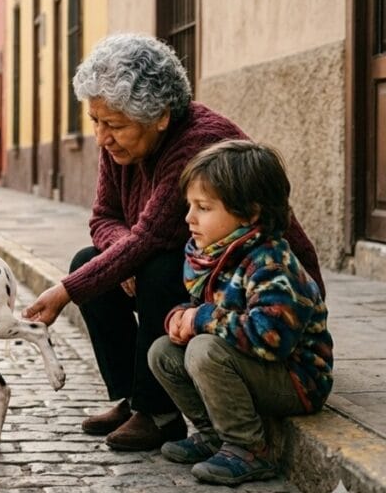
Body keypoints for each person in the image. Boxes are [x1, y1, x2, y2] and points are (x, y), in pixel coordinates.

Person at [23, 33, 324, 452]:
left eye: (115, 125)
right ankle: (132, 398)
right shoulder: (119, 146)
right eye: (95, 121)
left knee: (159, 267)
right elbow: (104, 217)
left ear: (161, 116)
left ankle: (158, 413)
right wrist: (121, 250)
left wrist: (65, 292)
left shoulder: (196, 142)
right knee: (89, 261)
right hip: (203, 273)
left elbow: (151, 238)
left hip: (258, 292)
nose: (102, 137)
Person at [148, 140, 332, 485]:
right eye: (190, 205)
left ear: (249, 213)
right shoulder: (215, 254)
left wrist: (201, 320)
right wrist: (181, 317)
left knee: (205, 350)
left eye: (203, 207)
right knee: (163, 352)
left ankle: (249, 448)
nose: (189, 218)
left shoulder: (272, 263)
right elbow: (204, 306)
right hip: (252, 363)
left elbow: (270, 338)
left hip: (296, 379)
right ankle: (212, 434)